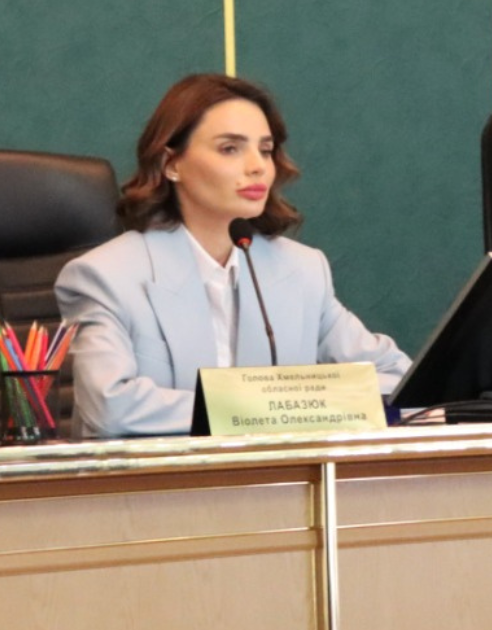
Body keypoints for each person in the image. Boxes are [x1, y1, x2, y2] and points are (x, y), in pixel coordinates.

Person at [55, 74, 410, 438]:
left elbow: (399, 380)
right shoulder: (105, 276)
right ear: (171, 164)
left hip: (281, 473)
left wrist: (295, 406)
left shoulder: (302, 270)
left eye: (265, 150)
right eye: (230, 148)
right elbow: (111, 408)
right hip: (160, 475)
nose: (258, 166)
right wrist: (272, 407)